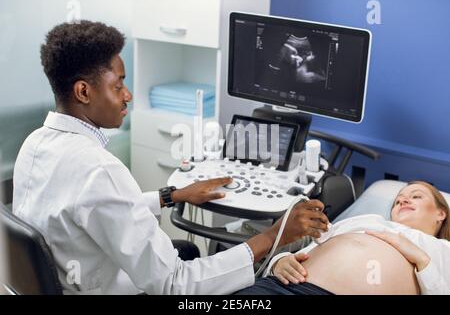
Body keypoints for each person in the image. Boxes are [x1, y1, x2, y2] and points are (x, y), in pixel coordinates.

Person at [12, 20, 330, 295]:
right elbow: (175, 285)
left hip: (74, 280)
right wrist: (274, 236)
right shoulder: (99, 168)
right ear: (83, 92)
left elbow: (94, 207)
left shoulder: (35, 144)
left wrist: (172, 195)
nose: (128, 95)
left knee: (188, 249)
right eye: (119, 84)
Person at [235, 181, 450, 295]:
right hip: (283, 288)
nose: (403, 201)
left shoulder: (441, 249)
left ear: (441, 213)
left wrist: (422, 260)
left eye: (416, 196)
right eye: (398, 200)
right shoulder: (367, 219)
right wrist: (278, 262)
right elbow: (305, 253)